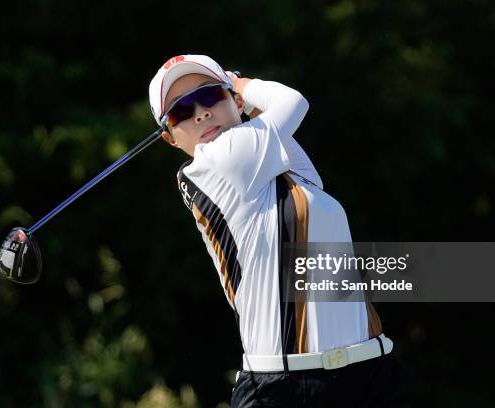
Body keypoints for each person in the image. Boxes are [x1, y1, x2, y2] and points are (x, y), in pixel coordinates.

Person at [148, 54, 410, 407]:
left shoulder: (274, 168)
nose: (201, 112)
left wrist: (237, 93)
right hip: (285, 389)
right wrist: (237, 82)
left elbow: (275, 123)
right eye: (181, 110)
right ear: (170, 138)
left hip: (368, 373)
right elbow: (293, 102)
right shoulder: (217, 159)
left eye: (209, 95)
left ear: (235, 104)